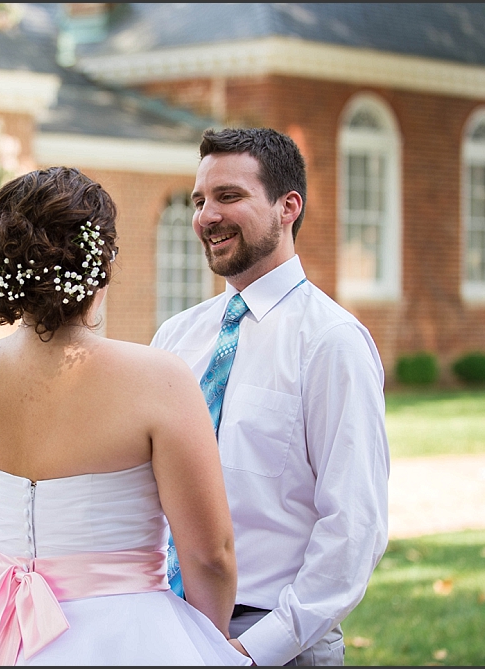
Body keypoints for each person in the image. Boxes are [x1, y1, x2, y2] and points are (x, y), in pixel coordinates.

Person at [0, 167, 251, 666]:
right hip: (130, 634)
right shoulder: (158, 379)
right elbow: (210, 555)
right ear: (100, 266)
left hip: (3, 633)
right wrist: (200, 646)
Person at [151, 127, 390, 666]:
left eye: (228, 196)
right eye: (199, 200)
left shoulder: (331, 342)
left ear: (288, 206)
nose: (206, 216)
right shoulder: (174, 339)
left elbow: (354, 524)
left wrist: (259, 649)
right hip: (166, 627)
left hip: (275, 639)